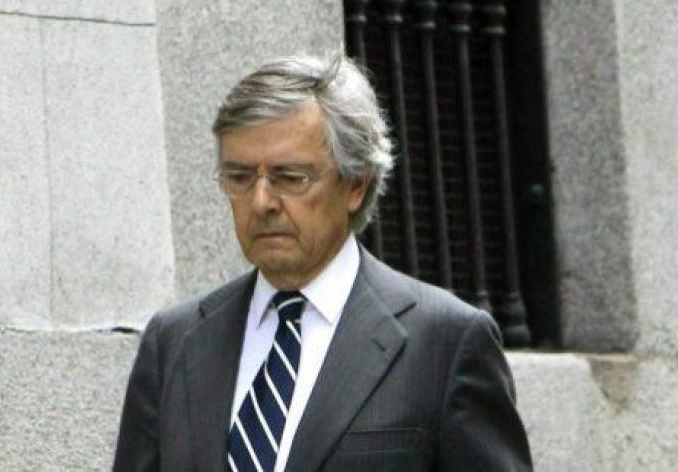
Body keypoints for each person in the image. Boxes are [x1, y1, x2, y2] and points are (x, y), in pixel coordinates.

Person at [113, 54, 532, 472]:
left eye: (290, 177)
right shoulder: (174, 341)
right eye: (239, 178)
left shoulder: (446, 341)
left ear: (355, 185)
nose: (261, 202)